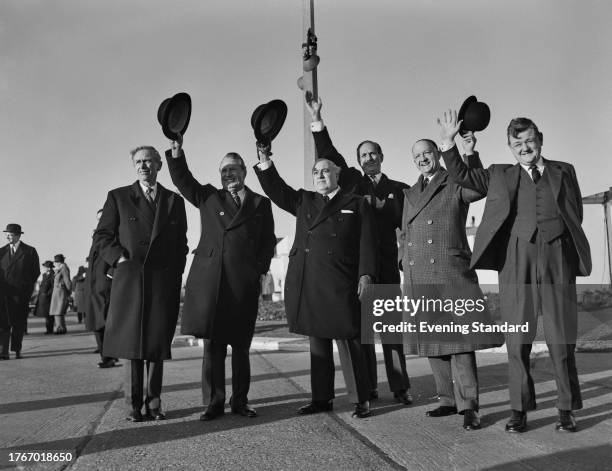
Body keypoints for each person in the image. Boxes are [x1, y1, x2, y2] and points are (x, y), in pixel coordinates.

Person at [440, 112, 591, 433]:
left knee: (561, 339)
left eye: (529, 140)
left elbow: (573, 211)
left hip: (557, 258)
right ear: (509, 147)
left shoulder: (564, 171)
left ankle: (566, 409)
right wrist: (450, 142)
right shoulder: (500, 174)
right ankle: (519, 411)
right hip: (515, 259)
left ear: (540, 140)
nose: (524, 147)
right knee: (517, 339)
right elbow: (461, 176)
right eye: (517, 143)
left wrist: (560, 245)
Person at [255, 143, 376, 418]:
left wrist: (366, 274)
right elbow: (276, 189)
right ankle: (321, 399)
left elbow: (367, 243)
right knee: (318, 345)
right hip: (310, 280)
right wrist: (264, 161)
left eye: (326, 171)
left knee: (350, 341)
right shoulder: (304, 200)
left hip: (342, 280)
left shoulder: (356, 203)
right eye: (316, 172)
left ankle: (361, 399)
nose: (320, 175)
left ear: (338, 174)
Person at [306, 95, 412, 405]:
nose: (368, 158)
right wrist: (317, 120)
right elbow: (327, 151)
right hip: (358, 270)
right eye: (363, 155)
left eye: (373, 154)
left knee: (392, 332)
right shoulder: (351, 181)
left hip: (388, 267)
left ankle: (400, 387)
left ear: (381, 156)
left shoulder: (400, 189)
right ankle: (370, 386)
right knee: (363, 332)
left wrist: (385, 208)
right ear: (357, 161)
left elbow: (404, 222)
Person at [165, 134, 276, 421]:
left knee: (240, 346)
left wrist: (259, 270)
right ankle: (213, 403)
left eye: (233, 169)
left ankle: (240, 402)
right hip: (212, 283)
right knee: (213, 348)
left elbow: (267, 243)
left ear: (244, 171)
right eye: (223, 171)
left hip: (243, 283)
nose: (228, 175)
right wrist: (177, 153)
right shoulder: (209, 197)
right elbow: (182, 180)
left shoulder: (261, 204)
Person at [399, 133, 503, 430]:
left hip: (449, 269)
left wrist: (469, 155)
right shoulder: (409, 193)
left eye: (426, 152)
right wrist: (403, 261)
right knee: (433, 339)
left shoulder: (454, 181)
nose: (422, 158)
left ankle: (469, 405)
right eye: (416, 155)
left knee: (459, 341)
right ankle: (447, 399)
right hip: (419, 274)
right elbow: (404, 231)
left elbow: (476, 187)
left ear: (437, 153)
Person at [94, 145, 188, 422]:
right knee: (132, 345)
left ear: (159, 165)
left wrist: (175, 274)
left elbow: (181, 243)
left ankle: (154, 404)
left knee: (157, 344)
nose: (143, 166)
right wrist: (119, 260)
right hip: (130, 280)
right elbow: (102, 237)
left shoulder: (174, 200)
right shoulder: (119, 197)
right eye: (138, 162)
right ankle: (133, 406)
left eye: (148, 161)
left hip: (162, 281)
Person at [0, 224, 40, 359]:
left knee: (18, 324)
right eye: (6, 234)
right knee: (3, 324)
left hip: (20, 294)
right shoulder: (1, 252)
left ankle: (17, 350)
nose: (7, 237)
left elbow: (35, 272)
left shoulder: (29, 251)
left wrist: (26, 288)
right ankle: (3, 352)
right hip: (4, 295)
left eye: (10, 234)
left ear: (17, 236)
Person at [85, 209, 117, 368]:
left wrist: (111, 275)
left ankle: (108, 357)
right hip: (94, 285)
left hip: (106, 285)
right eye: (98, 219)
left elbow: (122, 255)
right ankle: (108, 354)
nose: (101, 221)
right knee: (98, 322)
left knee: (104, 322)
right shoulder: (98, 235)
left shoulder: (117, 234)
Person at [49, 254, 71, 334]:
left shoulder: (64, 268)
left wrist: (69, 292)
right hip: (57, 292)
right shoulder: (60, 268)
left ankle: (60, 329)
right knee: (57, 312)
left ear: (59, 262)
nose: (54, 263)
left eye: (55, 262)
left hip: (61, 292)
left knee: (58, 312)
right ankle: (61, 328)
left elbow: (67, 281)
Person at [34, 261, 55, 334]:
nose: (44, 268)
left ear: (49, 268)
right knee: (46, 315)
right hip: (43, 297)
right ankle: (48, 329)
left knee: (49, 315)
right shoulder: (44, 275)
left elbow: (53, 287)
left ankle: (50, 330)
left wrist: (47, 294)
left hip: (48, 298)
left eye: (45, 267)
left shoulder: (53, 275)